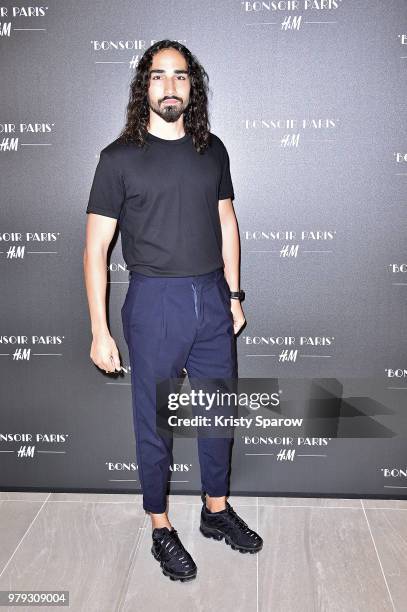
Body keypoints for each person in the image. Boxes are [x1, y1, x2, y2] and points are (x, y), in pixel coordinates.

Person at [83, 39, 263, 583]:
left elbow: (227, 222)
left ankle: (215, 511)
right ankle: (161, 525)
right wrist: (99, 329)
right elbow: (95, 249)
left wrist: (233, 296)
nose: (169, 86)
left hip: (211, 298)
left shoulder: (214, 151)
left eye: (180, 77)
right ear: (145, 86)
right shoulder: (117, 159)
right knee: (155, 426)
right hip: (154, 302)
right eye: (158, 76)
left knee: (217, 413)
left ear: (192, 87)